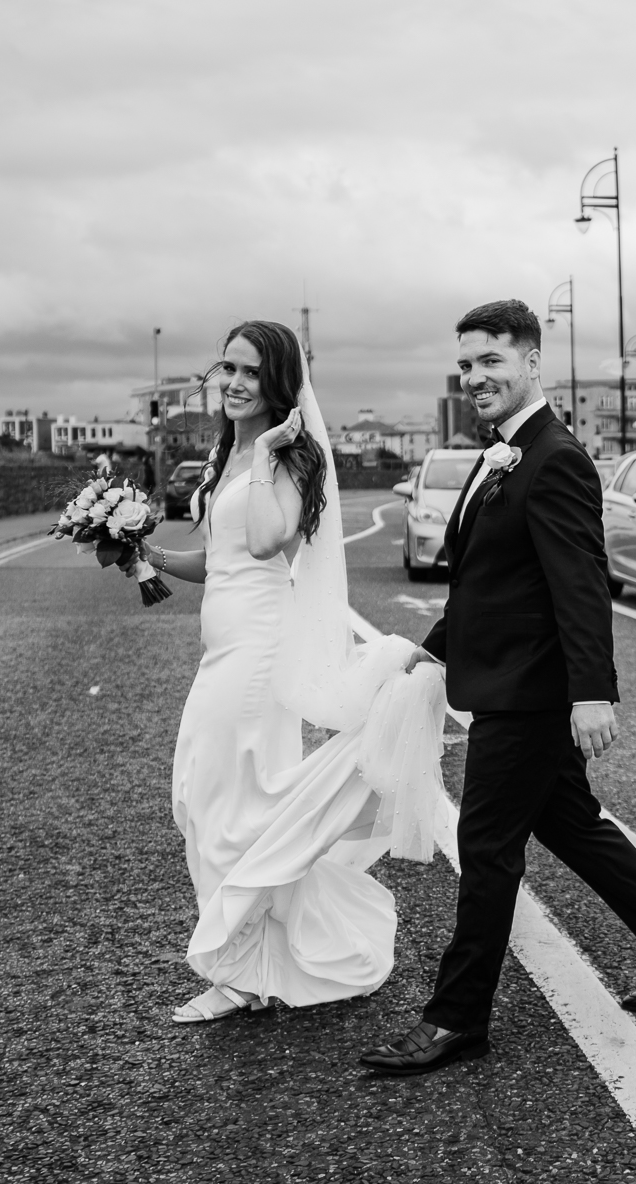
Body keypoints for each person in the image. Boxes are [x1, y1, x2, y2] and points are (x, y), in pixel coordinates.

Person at [361, 300, 636, 1076]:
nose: (475, 377)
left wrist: (593, 691)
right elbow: (487, 584)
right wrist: (432, 655)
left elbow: (581, 586)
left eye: (491, 360)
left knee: (486, 849)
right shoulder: (502, 454)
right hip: (508, 681)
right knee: (573, 825)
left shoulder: (554, 458)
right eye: (466, 365)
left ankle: (455, 1021)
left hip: (530, 696)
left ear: (532, 362)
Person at [142, 320, 448, 1022]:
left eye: (250, 372)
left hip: (256, 655)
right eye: (228, 369)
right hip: (223, 650)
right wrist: (143, 553)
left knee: (221, 803)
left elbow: (262, 540)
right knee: (206, 795)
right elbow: (218, 559)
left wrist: (271, 452)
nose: (235, 383)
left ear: (279, 380)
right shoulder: (232, 449)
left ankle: (238, 972)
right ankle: (250, 956)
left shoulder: (292, 454)